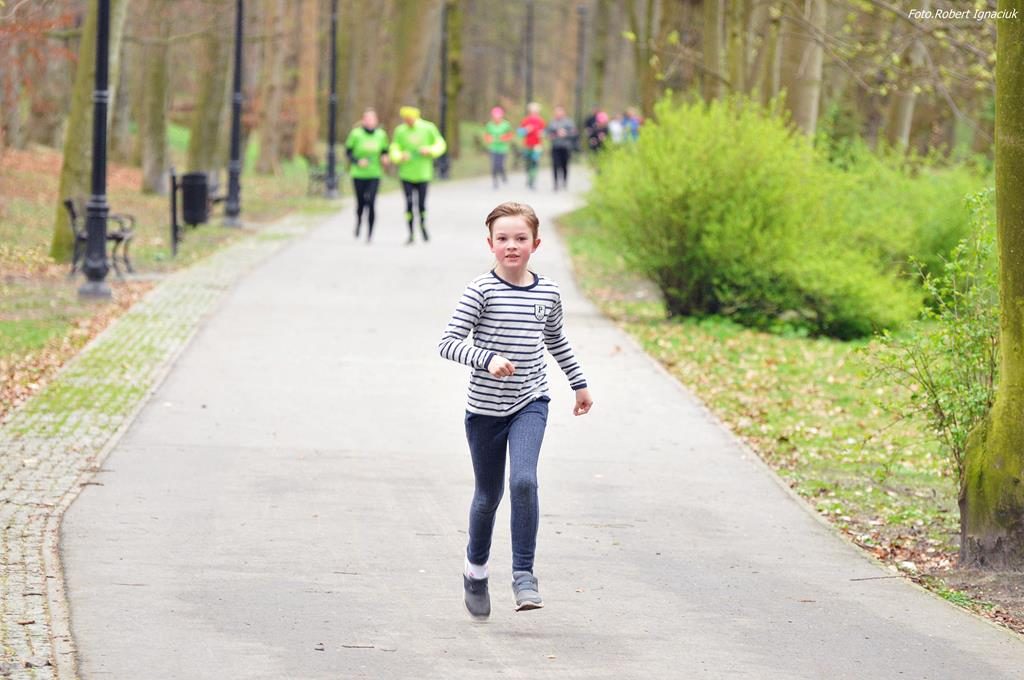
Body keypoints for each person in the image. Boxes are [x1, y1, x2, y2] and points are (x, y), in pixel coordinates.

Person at [437, 201, 594, 619]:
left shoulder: (548, 293)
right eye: (503, 238)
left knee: (524, 481)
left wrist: (578, 384)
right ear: (490, 244)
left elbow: (556, 340)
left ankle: (524, 574)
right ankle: (475, 571)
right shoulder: (480, 291)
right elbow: (448, 343)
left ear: (535, 244)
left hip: (530, 402)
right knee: (488, 495)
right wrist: (486, 358)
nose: (511, 245)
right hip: (485, 411)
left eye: (520, 238)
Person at [389, 106, 447, 244]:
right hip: (406, 174)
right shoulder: (400, 131)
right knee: (409, 204)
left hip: (423, 174)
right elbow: (394, 148)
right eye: (406, 119)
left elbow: (440, 144)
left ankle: (423, 225)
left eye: (410, 119)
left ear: (416, 117)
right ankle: (410, 233)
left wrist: (430, 150)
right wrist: (399, 156)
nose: (408, 121)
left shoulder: (428, 128)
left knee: (421, 204)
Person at [344, 108, 389, 242]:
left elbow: (385, 151)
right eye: (367, 119)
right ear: (363, 121)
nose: (370, 122)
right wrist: (357, 161)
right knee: (361, 203)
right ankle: (359, 221)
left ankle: (370, 233)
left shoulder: (381, 135)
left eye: (372, 119)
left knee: (371, 202)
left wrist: (385, 158)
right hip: (358, 174)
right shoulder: (356, 134)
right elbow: (348, 152)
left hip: (374, 173)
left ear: (376, 121)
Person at [545, 106, 577, 191]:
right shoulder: (552, 123)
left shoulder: (569, 122)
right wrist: (555, 134)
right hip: (555, 147)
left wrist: (566, 134)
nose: (558, 114)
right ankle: (555, 183)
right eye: (557, 113)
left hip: (566, 147)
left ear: (563, 113)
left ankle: (564, 182)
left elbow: (574, 133)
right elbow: (547, 134)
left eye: (560, 112)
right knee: (555, 165)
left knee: (564, 165)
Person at [483, 106, 514, 189]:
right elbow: (486, 135)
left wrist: (504, 138)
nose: (497, 118)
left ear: (501, 116)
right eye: (495, 117)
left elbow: (510, 135)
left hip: (503, 148)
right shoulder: (489, 125)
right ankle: (495, 181)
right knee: (494, 165)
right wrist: (489, 139)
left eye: (498, 117)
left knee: (500, 165)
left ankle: (503, 175)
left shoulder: (506, 125)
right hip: (493, 147)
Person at [517, 102, 546, 190]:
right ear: (530, 111)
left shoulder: (541, 121)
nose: (534, 112)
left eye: (536, 111)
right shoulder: (526, 120)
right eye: (533, 111)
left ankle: (533, 180)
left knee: (535, 162)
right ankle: (529, 178)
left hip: (537, 145)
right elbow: (519, 133)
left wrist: (542, 134)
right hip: (527, 145)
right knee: (528, 163)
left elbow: (544, 132)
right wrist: (526, 130)